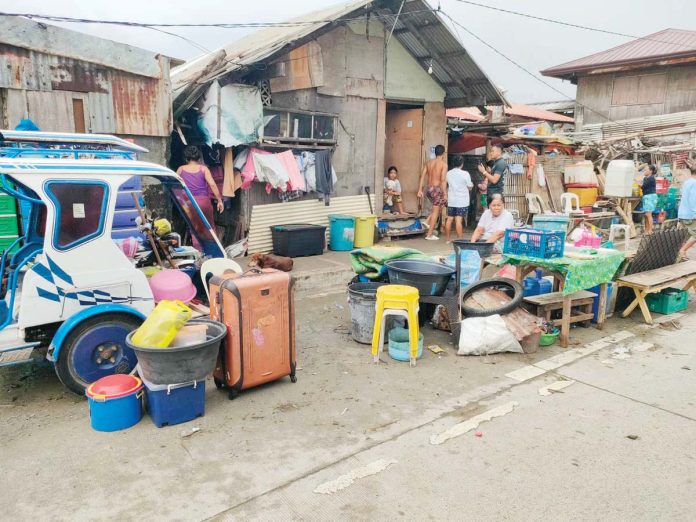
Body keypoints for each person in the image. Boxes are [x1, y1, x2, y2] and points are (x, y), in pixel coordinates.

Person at [176, 145, 224, 250]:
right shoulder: (203, 169)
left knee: (195, 229)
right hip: (204, 202)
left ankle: (199, 253)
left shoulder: (181, 169)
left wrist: (181, 200)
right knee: (209, 227)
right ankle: (213, 251)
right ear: (198, 157)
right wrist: (220, 200)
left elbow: (176, 186)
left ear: (186, 157)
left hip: (189, 203)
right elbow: (212, 184)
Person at [417, 144, 447, 240]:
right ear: (443, 153)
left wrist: (420, 190)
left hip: (429, 189)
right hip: (436, 189)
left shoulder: (429, 163)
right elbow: (442, 180)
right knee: (436, 212)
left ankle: (427, 221)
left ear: (435, 152)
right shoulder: (443, 164)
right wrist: (445, 193)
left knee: (436, 209)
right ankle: (429, 235)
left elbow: (422, 176)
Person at [445, 156, 473, 243]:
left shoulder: (448, 173)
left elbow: (446, 184)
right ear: (462, 164)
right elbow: (469, 186)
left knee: (449, 219)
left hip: (452, 200)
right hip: (462, 201)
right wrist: (471, 185)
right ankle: (459, 239)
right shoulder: (465, 173)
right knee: (458, 220)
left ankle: (448, 239)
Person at [678, 158, 696, 260]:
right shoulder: (694, 183)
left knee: (687, 234)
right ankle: (682, 251)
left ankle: (679, 251)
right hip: (690, 214)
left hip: (683, 213)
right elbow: (693, 200)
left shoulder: (687, 182)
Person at [640, 164, 657, 234]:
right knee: (646, 215)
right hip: (646, 196)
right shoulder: (645, 178)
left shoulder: (651, 178)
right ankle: (646, 230)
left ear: (650, 171)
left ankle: (650, 230)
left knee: (648, 214)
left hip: (650, 197)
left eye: (646, 170)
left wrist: (637, 181)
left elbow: (643, 186)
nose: (644, 171)